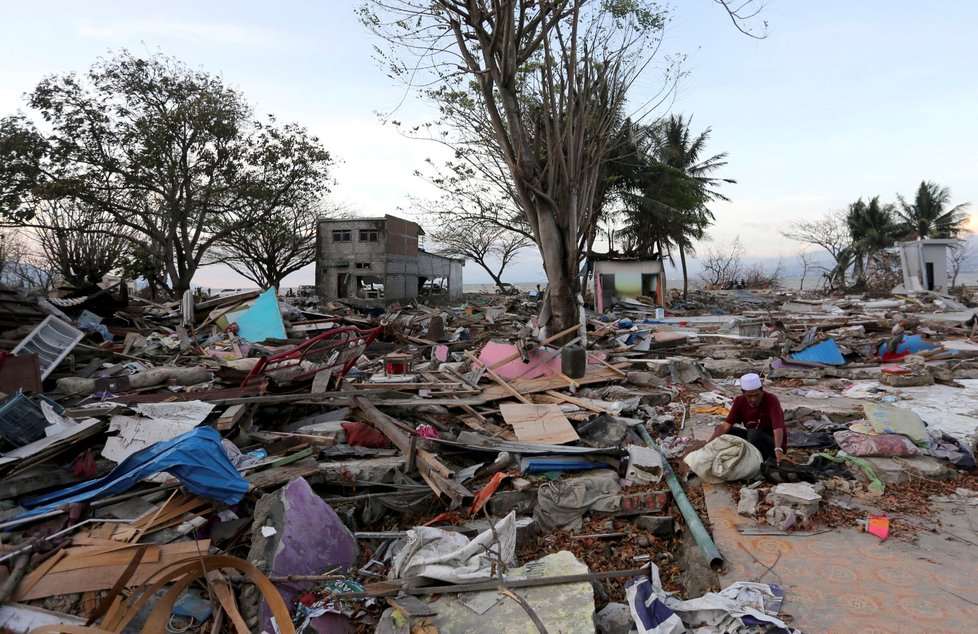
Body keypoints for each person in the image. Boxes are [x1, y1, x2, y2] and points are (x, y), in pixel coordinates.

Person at [709, 373, 792, 464]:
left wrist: (778, 449)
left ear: (762, 391)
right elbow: (725, 426)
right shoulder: (739, 401)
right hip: (752, 439)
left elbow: (778, 428)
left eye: (756, 395)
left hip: (772, 444)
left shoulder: (771, 400)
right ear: (743, 393)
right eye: (749, 396)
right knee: (722, 431)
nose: (753, 399)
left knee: (753, 434)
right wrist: (707, 445)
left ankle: (761, 461)